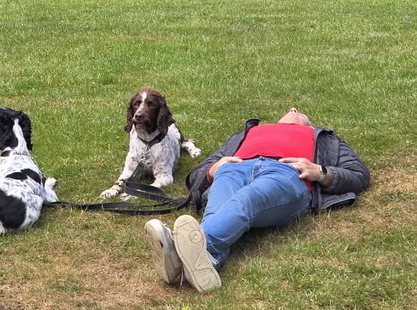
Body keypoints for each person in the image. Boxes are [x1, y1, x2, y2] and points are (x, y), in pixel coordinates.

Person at [145, 107, 370, 293]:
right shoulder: (250, 132)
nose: (293, 109)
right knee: (216, 210)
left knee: (245, 200)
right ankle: (205, 261)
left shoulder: (324, 138)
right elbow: (197, 174)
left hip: (286, 174)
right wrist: (212, 169)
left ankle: (180, 249)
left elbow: (359, 175)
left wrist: (321, 172)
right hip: (234, 169)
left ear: (309, 124)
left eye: (299, 110)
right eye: (290, 109)